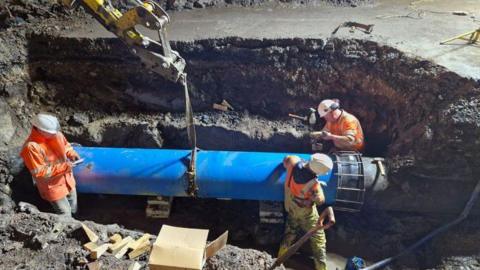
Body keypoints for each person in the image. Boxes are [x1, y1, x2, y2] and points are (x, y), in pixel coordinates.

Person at [278, 153, 336, 270]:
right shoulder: (313, 185)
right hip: (305, 213)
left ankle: (280, 259)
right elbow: (321, 200)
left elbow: (286, 160)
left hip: (290, 205)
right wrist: (317, 189)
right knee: (318, 239)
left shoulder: (293, 162)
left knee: (290, 232)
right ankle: (321, 267)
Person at [20, 113, 81, 216]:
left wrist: (72, 154)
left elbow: (66, 146)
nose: (55, 134)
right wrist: (65, 167)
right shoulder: (31, 148)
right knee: (65, 213)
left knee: (74, 206)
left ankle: (77, 219)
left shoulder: (56, 135)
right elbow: (41, 172)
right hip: (53, 187)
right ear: (40, 130)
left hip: (67, 180)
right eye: (51, 132)